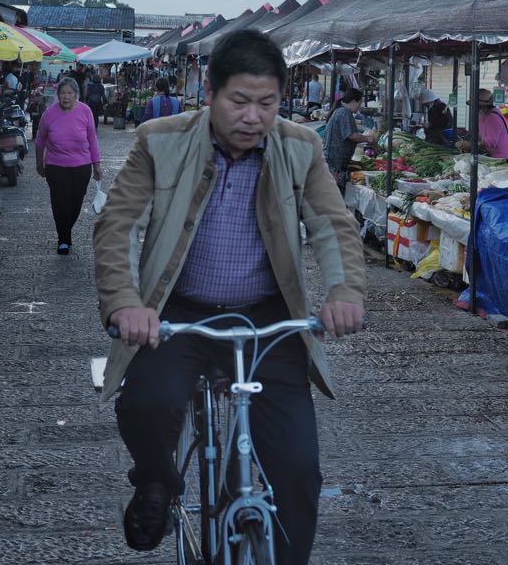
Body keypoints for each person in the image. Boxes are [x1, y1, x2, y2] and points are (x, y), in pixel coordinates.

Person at [93, 30, 366, 563]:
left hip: (265, 320)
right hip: (177, 313)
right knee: (146, 404)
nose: (253, 116)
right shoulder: (159, 141)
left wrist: (344, 290)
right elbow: (118, 225)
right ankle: (157, 480)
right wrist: (126, 302)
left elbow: (333, 225)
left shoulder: (300, 147)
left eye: (267, 103)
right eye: (239, 101)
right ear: (210, 93)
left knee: (297, 469)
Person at [34, 78, 101, 255]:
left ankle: (66, 230)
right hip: (56, 166)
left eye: (70, 93)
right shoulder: (49, 114)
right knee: (60, 203)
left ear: (76, 94)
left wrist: (97, 165)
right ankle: (63, 239)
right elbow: (40, 140)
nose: (66, 97)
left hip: (82, 166)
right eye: (63, 93)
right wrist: (39, 164)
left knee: (76, 202)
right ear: (58, 95)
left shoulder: (85, 111)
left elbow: (92, 139)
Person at [324, 89, 375, 187]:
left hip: (334, 161)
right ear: (353, 102)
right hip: (334, 162)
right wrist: (367, 138)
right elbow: (351, 135)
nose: (359, 107)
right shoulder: (344, 112)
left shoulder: (341, 111)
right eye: (359, 103)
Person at [457, 88, 508, 159]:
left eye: (477, 105)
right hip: (491, 155)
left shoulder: (492, 117)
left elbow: (491, 142)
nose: (474, 107)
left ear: (483, 106)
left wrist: (472, 145)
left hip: (500, 158)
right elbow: (481, 134)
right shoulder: (482, 115)